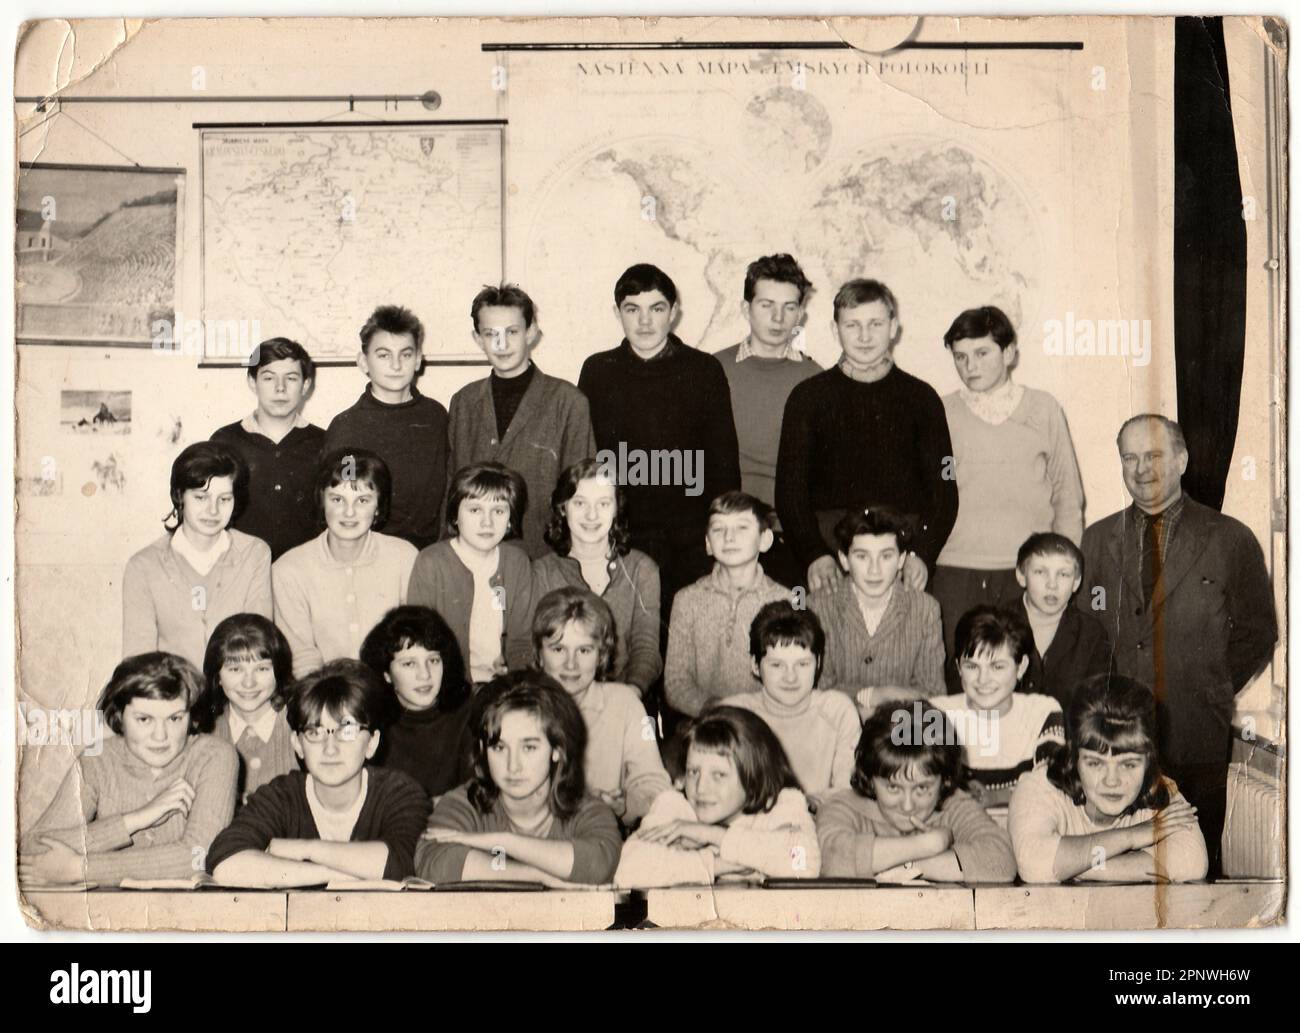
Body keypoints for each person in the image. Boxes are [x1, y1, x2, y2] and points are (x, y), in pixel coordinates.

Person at [1080, 414, 1276, 877]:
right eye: (1130, 458)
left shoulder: (1230, 538)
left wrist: (1212, 682)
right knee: (1118, 870)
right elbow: (1085, 630)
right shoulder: (1098, 538)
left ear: (1182, 460)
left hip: (1196, 735)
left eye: (1153, 456)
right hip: (1116, 740)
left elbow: (1258, 631)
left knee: (1194, 870)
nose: (1141, 468)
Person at [578, 263, 741, 615]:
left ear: (674, 313)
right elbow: (588, 460)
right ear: (617, 313)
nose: (645, 322)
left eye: (657, 309)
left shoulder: (703, 370)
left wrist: (720, 531)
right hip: (621, 534)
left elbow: (723, 461)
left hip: (689, 536)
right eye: (632, 310)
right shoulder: (598, 370)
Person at [931, 306, 1085, 681]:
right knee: (961, 674)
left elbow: (1067, 494)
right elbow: (925, 493)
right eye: (960, 357)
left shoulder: (1043, 409)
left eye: (982, 353)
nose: (970, 366)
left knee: (1025, 676)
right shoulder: (940, 411)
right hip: (955, 570)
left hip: (1024, 573)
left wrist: (1056, 571)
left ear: (1010, 353)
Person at [776, 278, 957, 594]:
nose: (864, 336)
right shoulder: (806, 398)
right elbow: (790, 492)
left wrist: (922, 554)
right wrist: (814, 554)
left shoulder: (923, 399)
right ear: (835, 330)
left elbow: (944, 492)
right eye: (852, 325)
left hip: (902, 557)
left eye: (875, 323)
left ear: (893, 327)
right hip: (829, 558)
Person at [19, 652, 237, 887]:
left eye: (174, 719)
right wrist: (136, 819)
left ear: (191, 715)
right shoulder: (97, 761)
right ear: (119, 715)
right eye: (144, 719)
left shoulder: (215, 756)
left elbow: (198, 857)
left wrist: (79, 868)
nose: (161, 736)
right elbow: (33, 849)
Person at [206, 660, 431, 887]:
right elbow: (225, 862)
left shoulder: (400, 792)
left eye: (347, 730)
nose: (330, 748)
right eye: (315, 732)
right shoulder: (281, 795)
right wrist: (334, 875)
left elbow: (399, 864)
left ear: (372, 742)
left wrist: (305, 849)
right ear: (298, 744)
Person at [414, 671, 623, 886]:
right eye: (499, 747)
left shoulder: (587, 809)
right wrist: (536, 875)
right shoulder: (464, 802)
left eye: (529, 747)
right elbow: (434, 863)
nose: (513, 766)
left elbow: (598, 865)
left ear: (557, 750)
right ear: (482, 750)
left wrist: (503, 842)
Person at [1009, 673, 1208, 884]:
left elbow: (1192, 862)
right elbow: (1035, 864)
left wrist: (1071, 865)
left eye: (1129, 764)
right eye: (1095, 763)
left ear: (1149, 761)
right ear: (1073, 757)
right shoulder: (1037, 787)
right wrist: (1131, 836)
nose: (1112, 781)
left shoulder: (1161, 790)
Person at [446, 284, 596, 558]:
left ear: (531, 332)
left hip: (541, 559)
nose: (501, 345)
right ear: (477, 338)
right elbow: (451, 491)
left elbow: (582, 495)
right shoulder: (463, 403)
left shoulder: (569, 402)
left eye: (512, 332)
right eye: (491, 334)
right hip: (473, 558)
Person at [614, 706, 820, 887]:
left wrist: (710, 835)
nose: (701, 788)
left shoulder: (783, 803)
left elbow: (804, 863)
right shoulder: (675, 805)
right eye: (693, 772)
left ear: (754, 775)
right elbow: (629, 871)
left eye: (719, 775)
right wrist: (718, 865)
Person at [816, 702, 1016, 883]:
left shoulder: (953, 806)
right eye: (893, 787)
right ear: (869, 778)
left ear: (944, 780)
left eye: (922, 788)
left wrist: (912, 867)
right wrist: (930, 844)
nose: (907, 805)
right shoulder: (843, 806)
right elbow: (830, 859)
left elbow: (1001, 860)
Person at [715, 254, 822, 588]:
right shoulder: (711, 371)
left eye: (789, 307)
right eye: (766, 305)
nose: (778, 318)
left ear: (801, 313)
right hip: (728, 535)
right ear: (746, 309)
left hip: (792, 536)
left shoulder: (815, 379)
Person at [122, 441, 272, 670]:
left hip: (237, 697)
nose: (213, 510)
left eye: (224, 499)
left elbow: (259, 648)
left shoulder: (255, 554)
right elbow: (138, 662)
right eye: (201, 498)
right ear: (179, 496)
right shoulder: (143, 566)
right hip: (171, 698)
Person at [271, 449, 418, 678]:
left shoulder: (405, 557)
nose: (349, 512)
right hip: (323, 696)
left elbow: (413, 646)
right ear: (322, 501)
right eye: (337, 499)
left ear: (378, 506)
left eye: (362, 500)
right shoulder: (288, 570)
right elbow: (302, 657)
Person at [532, 587, 671, 824]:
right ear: (539, 653)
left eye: (584, 650)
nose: (571, 664)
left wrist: (623, 804)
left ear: (602, 655)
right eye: (558, 649)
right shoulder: (517, 708)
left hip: (602, 836)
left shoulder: (625, 703)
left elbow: (654, 785)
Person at [532, 457, 662, 695]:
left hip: (622, 698)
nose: (591, 515)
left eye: (603, 504)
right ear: (563, 507)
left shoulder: (641, 569)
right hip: (558, 702)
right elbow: (535, 652)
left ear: (616, 509)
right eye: (580, 503)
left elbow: (647, 648)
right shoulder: (541, 572)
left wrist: (628, 695)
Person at [323, 304, 448, 549]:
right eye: (383, 355)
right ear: (363, 362)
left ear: (418, 360)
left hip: (430, 553)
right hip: (372, 554)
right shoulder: (347, 427)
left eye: (406, 354)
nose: (396, 364)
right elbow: (342, 503)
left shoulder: (435, 416)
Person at [809, 506, 945, 717]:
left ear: (901, 560)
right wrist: (875, 695)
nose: (874, 570)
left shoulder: (926, 609)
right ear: (844, 560)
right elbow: (816, 689)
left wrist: (879, 700)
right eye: (862, 557)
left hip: (900, 733)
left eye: (886, 556)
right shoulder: (818, 607)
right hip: (833, 727)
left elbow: (932, 694)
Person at [664, 491, 790, 717]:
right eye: (718, 529)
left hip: (766, 724)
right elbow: (676, 682)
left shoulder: (785, 601)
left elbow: (791, 680)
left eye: (742, 528)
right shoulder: (687, 600)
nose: (729, 537)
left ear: (764, 540)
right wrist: (717, 710)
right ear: (708, 544)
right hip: (705, 722)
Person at [407, 462, 534, 685]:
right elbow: (422, 645)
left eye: (499, 511)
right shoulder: (431, 562)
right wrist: (473, 676)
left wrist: (513, 680)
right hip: (446, 686)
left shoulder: (517, 562)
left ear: (510, 519)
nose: (487, 522)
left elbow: (522, 642)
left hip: (502, 685)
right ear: (455, 516)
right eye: (475, 510)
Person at [721, 601, 859, 805]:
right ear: (755, 665)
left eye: (803, 664)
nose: (791, 677)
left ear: (818, 663)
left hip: (822, 823)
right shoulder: (734, 714)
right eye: (777, 665)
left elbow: (845, 791)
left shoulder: (838, 710)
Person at [933, 606, 1065, 808]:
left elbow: (1051, 787)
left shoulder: (1043, 712)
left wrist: (996, 797)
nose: (983, 679)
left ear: (1021, 667)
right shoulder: (936, 713)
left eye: (997, 667)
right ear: (959, 667)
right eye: (971, 666)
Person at [210, 336, 326, 560]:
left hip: (304, 575)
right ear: (252, 382)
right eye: (268, 377)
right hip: (241, 571)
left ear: (306, 385)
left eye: (291, 378)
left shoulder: (324, 442)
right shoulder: (224, 441)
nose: (280, 388)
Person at [360, 606, 475, 800]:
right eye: (409, 663)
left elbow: (477, 793)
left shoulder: (469, 712)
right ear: (386, 674)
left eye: (434, 660)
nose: (425, 675)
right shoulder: (371, 721)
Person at [200, 613, 298, 806]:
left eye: (262, 669)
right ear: (217, 676)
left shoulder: (301, 723)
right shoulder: (204, 732)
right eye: (235, 669)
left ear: (279, 671)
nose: (249, 682)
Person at [1014, 532, 1111, 709]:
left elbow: (1098, 705)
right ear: (1021, 575)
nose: (1052, 584)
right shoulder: (992, 625)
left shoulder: (1092, 634)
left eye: (1063, 574)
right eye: (1040, 572)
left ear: (1076, 582)